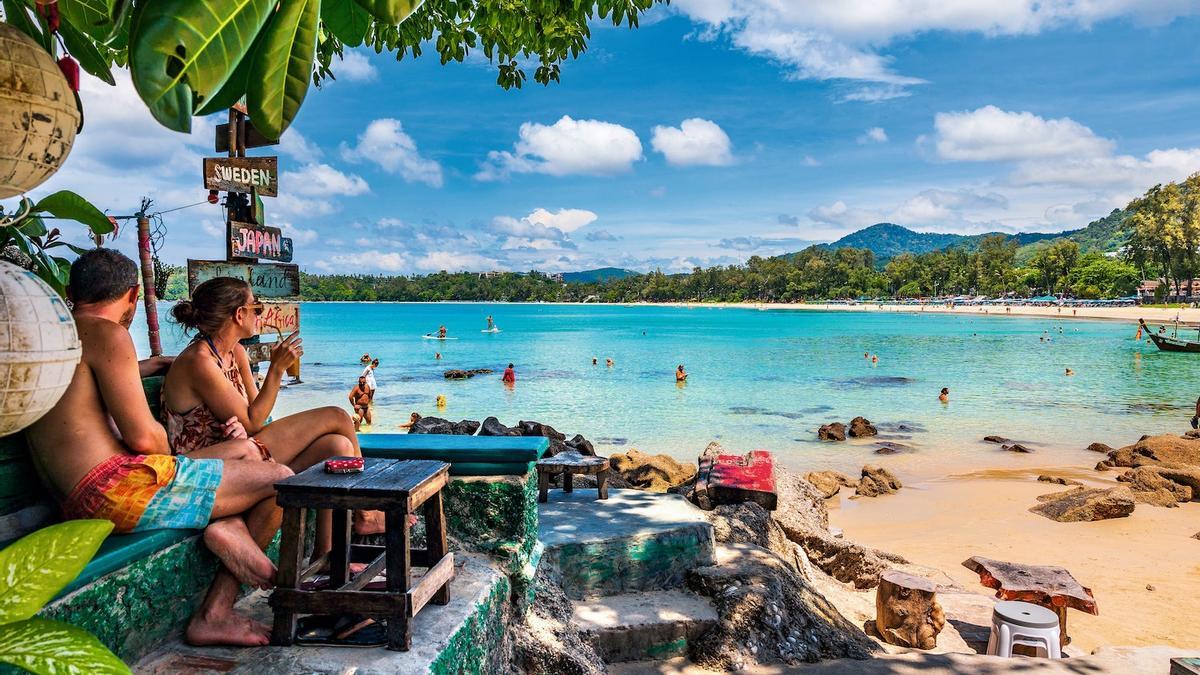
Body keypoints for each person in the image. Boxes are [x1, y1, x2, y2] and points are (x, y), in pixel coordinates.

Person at [26, 249, 293, 647]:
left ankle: (226, 527)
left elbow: (78, 394)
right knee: (281, 480)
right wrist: (168, 440)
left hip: (73, 494)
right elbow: (145, 440)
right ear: (133, 296)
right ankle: (216, 609)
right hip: (117, 490)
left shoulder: (52, 337)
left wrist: (141, 368)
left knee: (243, 456)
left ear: (69, 290)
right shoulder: (109, 333)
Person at [162, 277, 380, 566]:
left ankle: (325, 554)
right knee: (338, 416)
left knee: (337, 444)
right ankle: (364, 513)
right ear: (239, 315)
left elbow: (256, 417)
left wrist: (268, 385)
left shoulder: (234, 352)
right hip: (214, 467)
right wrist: (277, 369)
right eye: (257, 308)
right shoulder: (200, 361)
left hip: (244, 450)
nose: (260, 314)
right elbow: (253, 422)